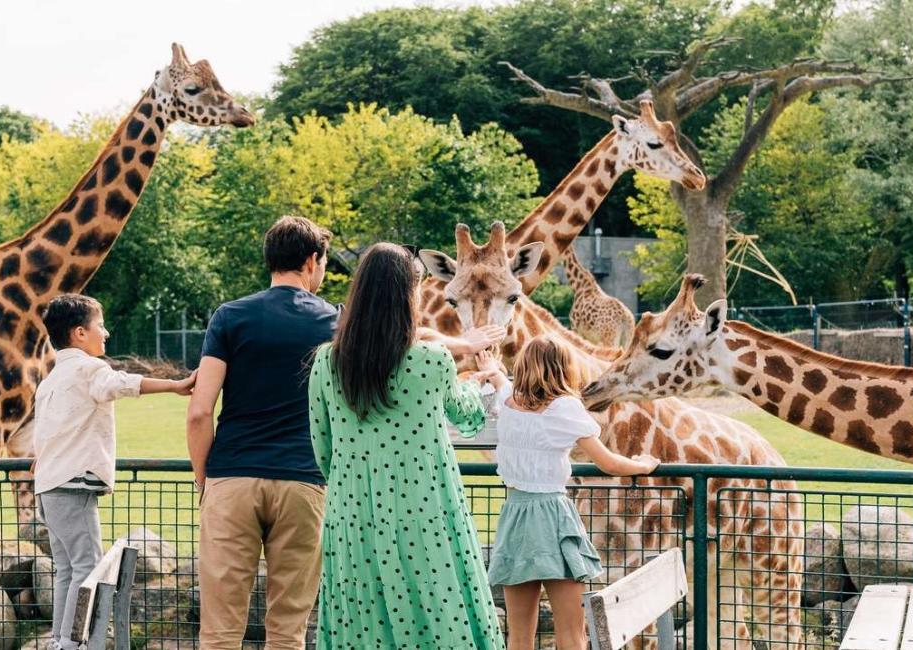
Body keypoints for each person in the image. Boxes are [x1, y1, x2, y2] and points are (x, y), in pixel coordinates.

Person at [186, 217, 501, 649]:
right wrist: (475, 364)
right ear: (313, 260)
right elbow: (435, 380)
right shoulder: (352, 332)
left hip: (254, 483)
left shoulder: (243, 323)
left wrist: (205, 477)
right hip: (329, 490)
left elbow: (201, 412)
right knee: (289, 629)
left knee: (221, 629)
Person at [307, 242, 508, 649]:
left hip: (352, 510)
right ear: (410, 294)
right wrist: (484, 379)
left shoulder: (327, 362)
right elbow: (468, 419)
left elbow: (322, 449)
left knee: (361, 616)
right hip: (425, 508)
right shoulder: (433, 360)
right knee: (437, 609)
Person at [31, 293, 197, 650]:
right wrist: (174, 385)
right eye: (99, 326)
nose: (105, 333)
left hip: (48, 487)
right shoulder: (88, 370)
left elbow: (43, 437)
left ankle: (61, 641)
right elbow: (120, 383)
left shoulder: (51, 380)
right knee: (88, 568)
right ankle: (74, 643)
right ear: (79, 333)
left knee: (66, 569)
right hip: (71, 486)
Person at [486, 335, 660, 650]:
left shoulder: (508, 402)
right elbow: (608, 462)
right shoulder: (564, 408)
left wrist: (491, 366)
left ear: (523, 367)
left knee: (519, 636)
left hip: (514, 516)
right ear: (564, 369)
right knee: (572, 635)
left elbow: (501, 383)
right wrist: (643, 465)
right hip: (553, 518)